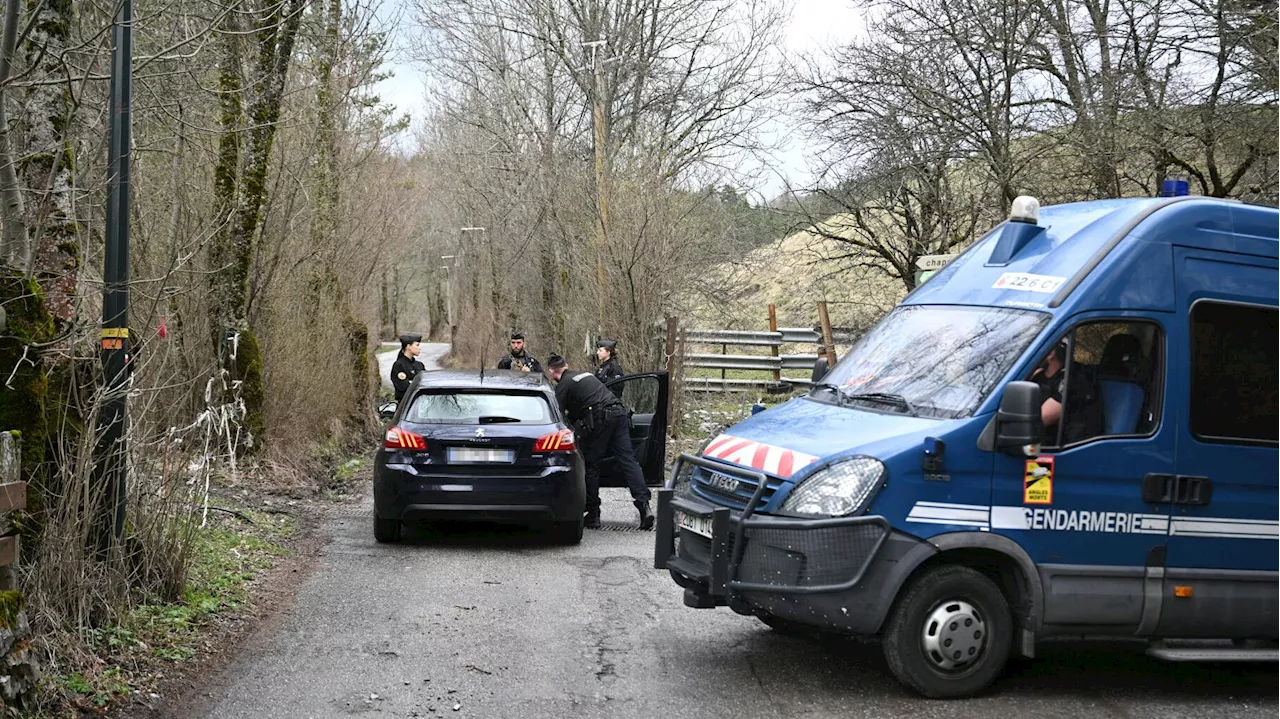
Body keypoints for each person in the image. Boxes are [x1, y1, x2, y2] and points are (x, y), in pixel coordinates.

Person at [545, 353, 652, 530]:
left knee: (591, 463)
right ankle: (644, 507)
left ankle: (593, 514)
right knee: (628, 460)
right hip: (619, 412)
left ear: (551, 372)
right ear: (566, 365)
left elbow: (557, 415)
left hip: (602, 418)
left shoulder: (564, 384)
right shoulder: (585, 374)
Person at [1031, 339, 1103, 445]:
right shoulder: (1039, 376)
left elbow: (1039, 420)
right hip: (1043, 445)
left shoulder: (1073, 378)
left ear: (1051, 354)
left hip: (1072, 449)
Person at [391, 333, 426, 402]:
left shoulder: (419, 365)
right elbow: (403, 387)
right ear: (408, 346)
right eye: (417, 345)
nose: (419, 348)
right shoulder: (398, 365)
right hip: (405, 404)